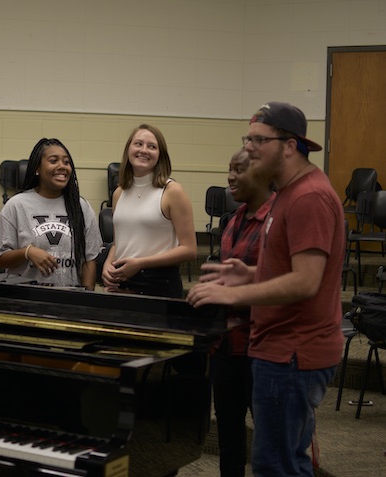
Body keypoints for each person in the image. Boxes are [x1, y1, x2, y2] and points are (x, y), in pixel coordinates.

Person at [187, 102, 345, 477]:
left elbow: (307, 281)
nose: (250, 147)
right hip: (279, 348)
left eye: (259, 139)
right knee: (275, 462)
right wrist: (251, 274)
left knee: (279, 466)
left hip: (294, 352)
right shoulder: (289, 192)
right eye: (248, 138)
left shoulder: (308, 197)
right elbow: (291, 269)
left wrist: (233, 295)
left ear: (289, 145)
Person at [211, 148, 275, 477]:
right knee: (229, 438)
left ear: (262, 174)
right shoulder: (234, 220)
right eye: (229, 169)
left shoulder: (276, 221)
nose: (230, 177)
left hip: (261, 347)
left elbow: (282, 286)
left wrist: (226, 293)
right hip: (226, 345)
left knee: (271, 444)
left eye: (239, 170)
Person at [0, 138, 102, 289]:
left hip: (70, 299)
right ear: (37, 168)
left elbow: (90, 258)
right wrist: (27, 252)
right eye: (54, 161)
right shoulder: (17, 205)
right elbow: (0, 259)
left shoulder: (81, 206)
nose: (62, 166)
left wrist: (87, 298)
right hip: (27, 299)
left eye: (67, 162)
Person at [101, 124, 197, 298]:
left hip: (159, 284)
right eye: (138, 144)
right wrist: (108, 263)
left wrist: (140, 263)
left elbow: (189, 249)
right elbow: (118, 243)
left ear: (160, 155)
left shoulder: (172, 191)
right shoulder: (119, 193)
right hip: (123, 281)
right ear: (128, 149)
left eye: (152, 146)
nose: (144, 150)